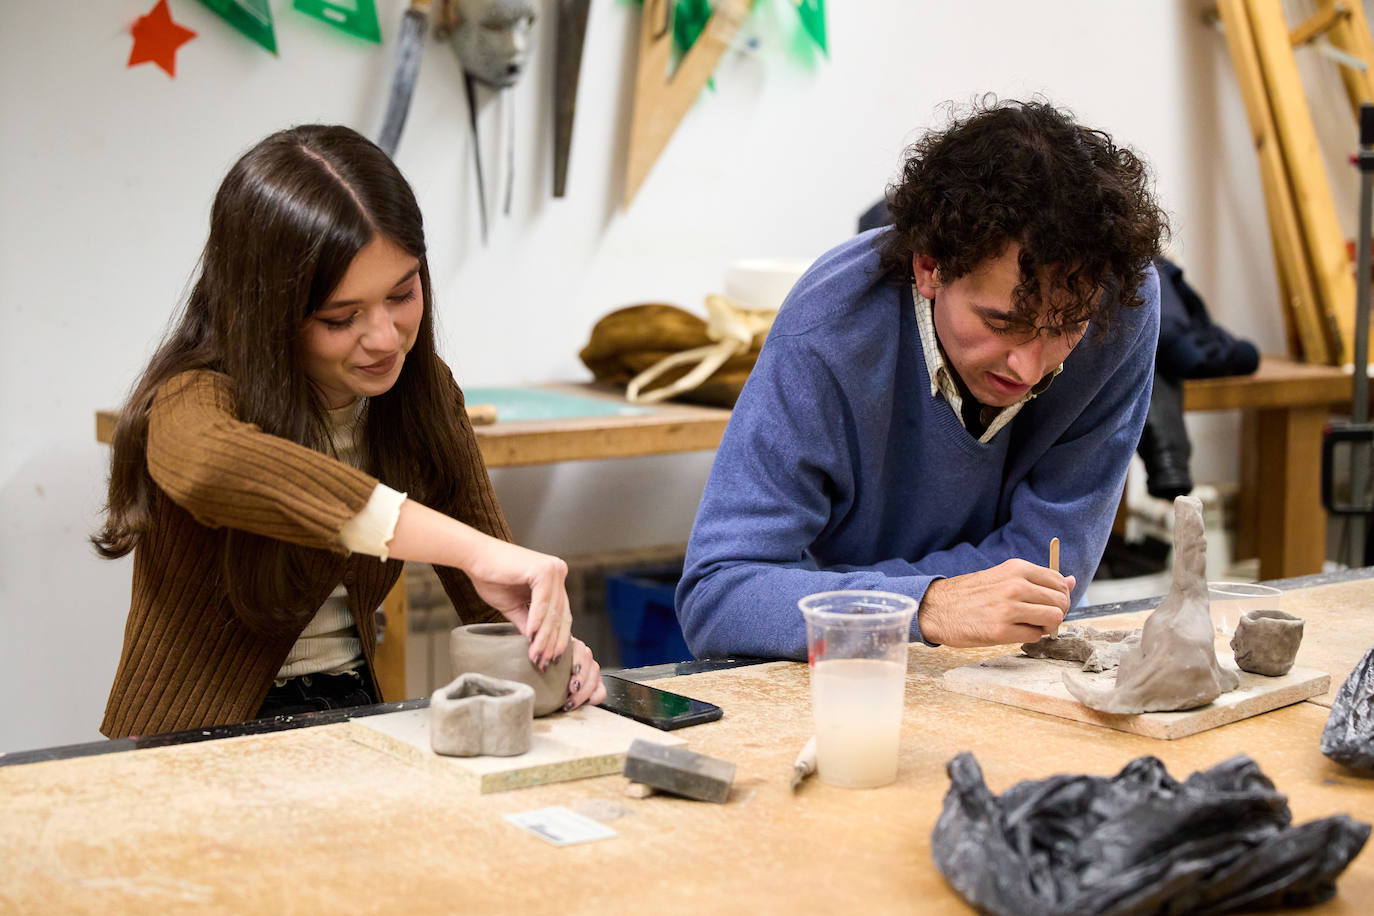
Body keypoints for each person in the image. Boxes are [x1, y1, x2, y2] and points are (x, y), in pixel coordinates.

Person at [94, 124, 604, 738]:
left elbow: (491, 591)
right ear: (268, 310)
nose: (385, 338)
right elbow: (213, 469)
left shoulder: (421, 392)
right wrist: (471, 549)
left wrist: (554, 654)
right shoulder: (194, 400)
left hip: (351, 712)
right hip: (193, 741)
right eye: (342, 317)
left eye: (403, 293)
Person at [676, 99, 1169, 659]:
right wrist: (927, 605)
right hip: (842, 675)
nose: (1031, 369)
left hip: (984, 663)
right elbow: (720, 598)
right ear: (930, 267)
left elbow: (1049, 577)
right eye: (1002, 322)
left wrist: (840, 595)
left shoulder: (1118, 303)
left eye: (1064, 330)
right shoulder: (827, 328)